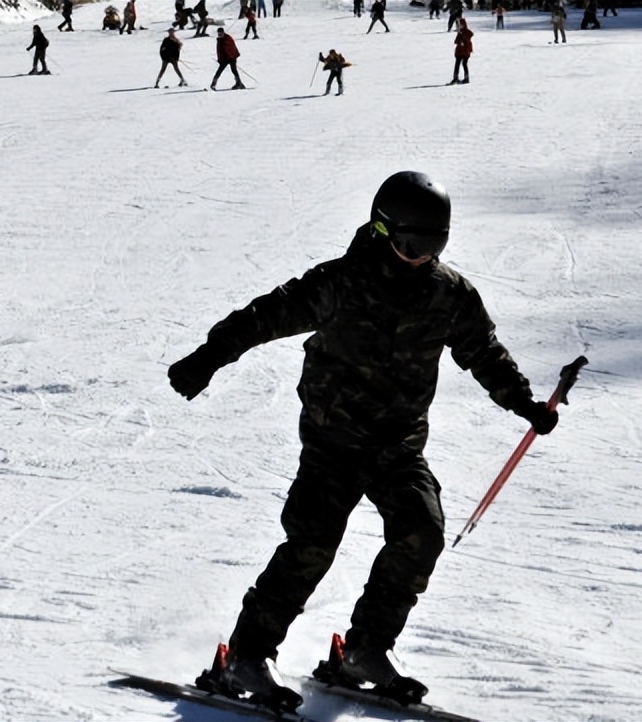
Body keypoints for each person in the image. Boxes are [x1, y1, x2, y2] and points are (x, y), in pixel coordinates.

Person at [169, 171, 559, 709]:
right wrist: (208, 357)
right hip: (335, 441)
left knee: (422, 530)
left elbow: (483, 351)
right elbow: (264, 317)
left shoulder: (449, 295)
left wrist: (524, 403)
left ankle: (366, 649)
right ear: (383, 230)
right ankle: (246, 657)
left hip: (399, 445)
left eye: (433, 245)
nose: (420, 256)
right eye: (410, 244)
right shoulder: (340, 283)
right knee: (311, 545)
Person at [450, 17, 472, 84]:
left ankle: (466, 78)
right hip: (459, 51)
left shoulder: (467, 32)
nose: (459, 26)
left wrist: (463, 40)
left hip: (465, 52)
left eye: (460, 25)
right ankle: (455, 78)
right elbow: (456, 41)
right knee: (457, 64)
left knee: (464, 64)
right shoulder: (460, 32)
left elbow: (468, 40)